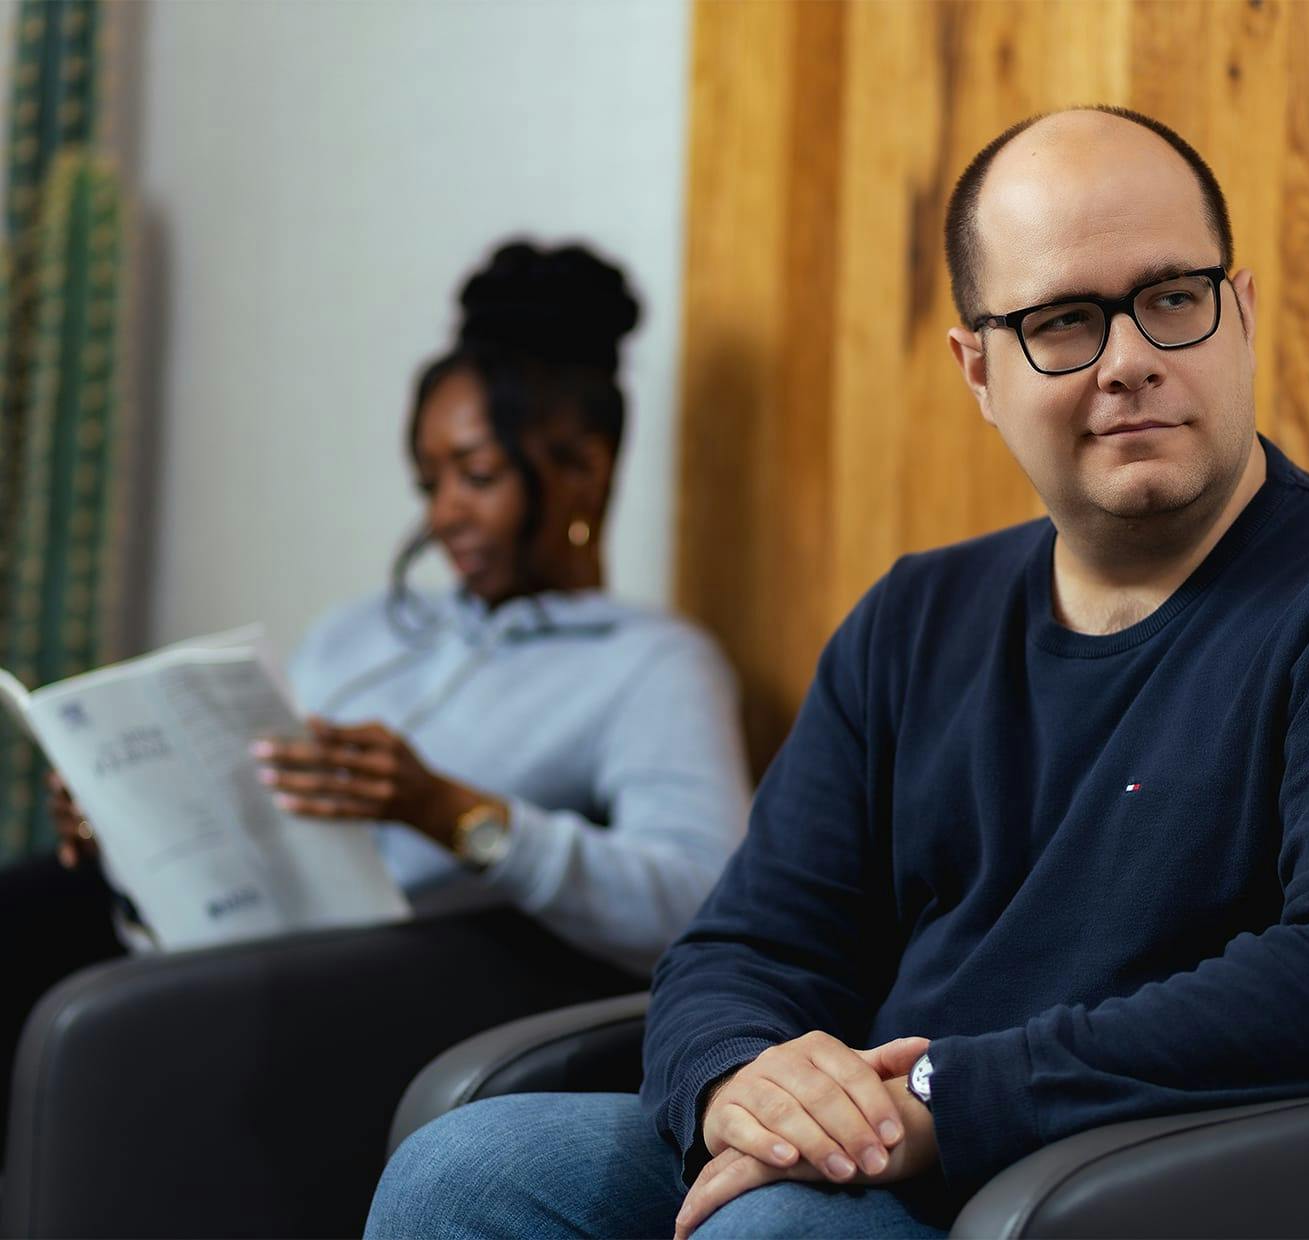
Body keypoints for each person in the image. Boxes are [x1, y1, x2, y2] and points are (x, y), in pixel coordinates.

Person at [365, 108, 1309, 1240]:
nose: (1128, 361)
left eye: (1172, 300)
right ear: (978, 369)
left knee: (776, 1226)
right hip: (887, 1143)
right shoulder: (914, 617)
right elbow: (747, 944)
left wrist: (949, 1096)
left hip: (1137, 1172)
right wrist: (737, 1077)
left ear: (1238, 314)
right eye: (1064, 323)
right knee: (466, 1172)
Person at [1, 239, 750, 1164]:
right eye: (429, 483)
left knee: (61, 996)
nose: (442, 516)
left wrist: (449, 812)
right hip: (229, 933)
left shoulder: (649, 665)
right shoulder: (362, 632)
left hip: (365, 1000)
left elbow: (699, 902)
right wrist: (129, 815)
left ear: (584, 471)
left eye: (475, 476)